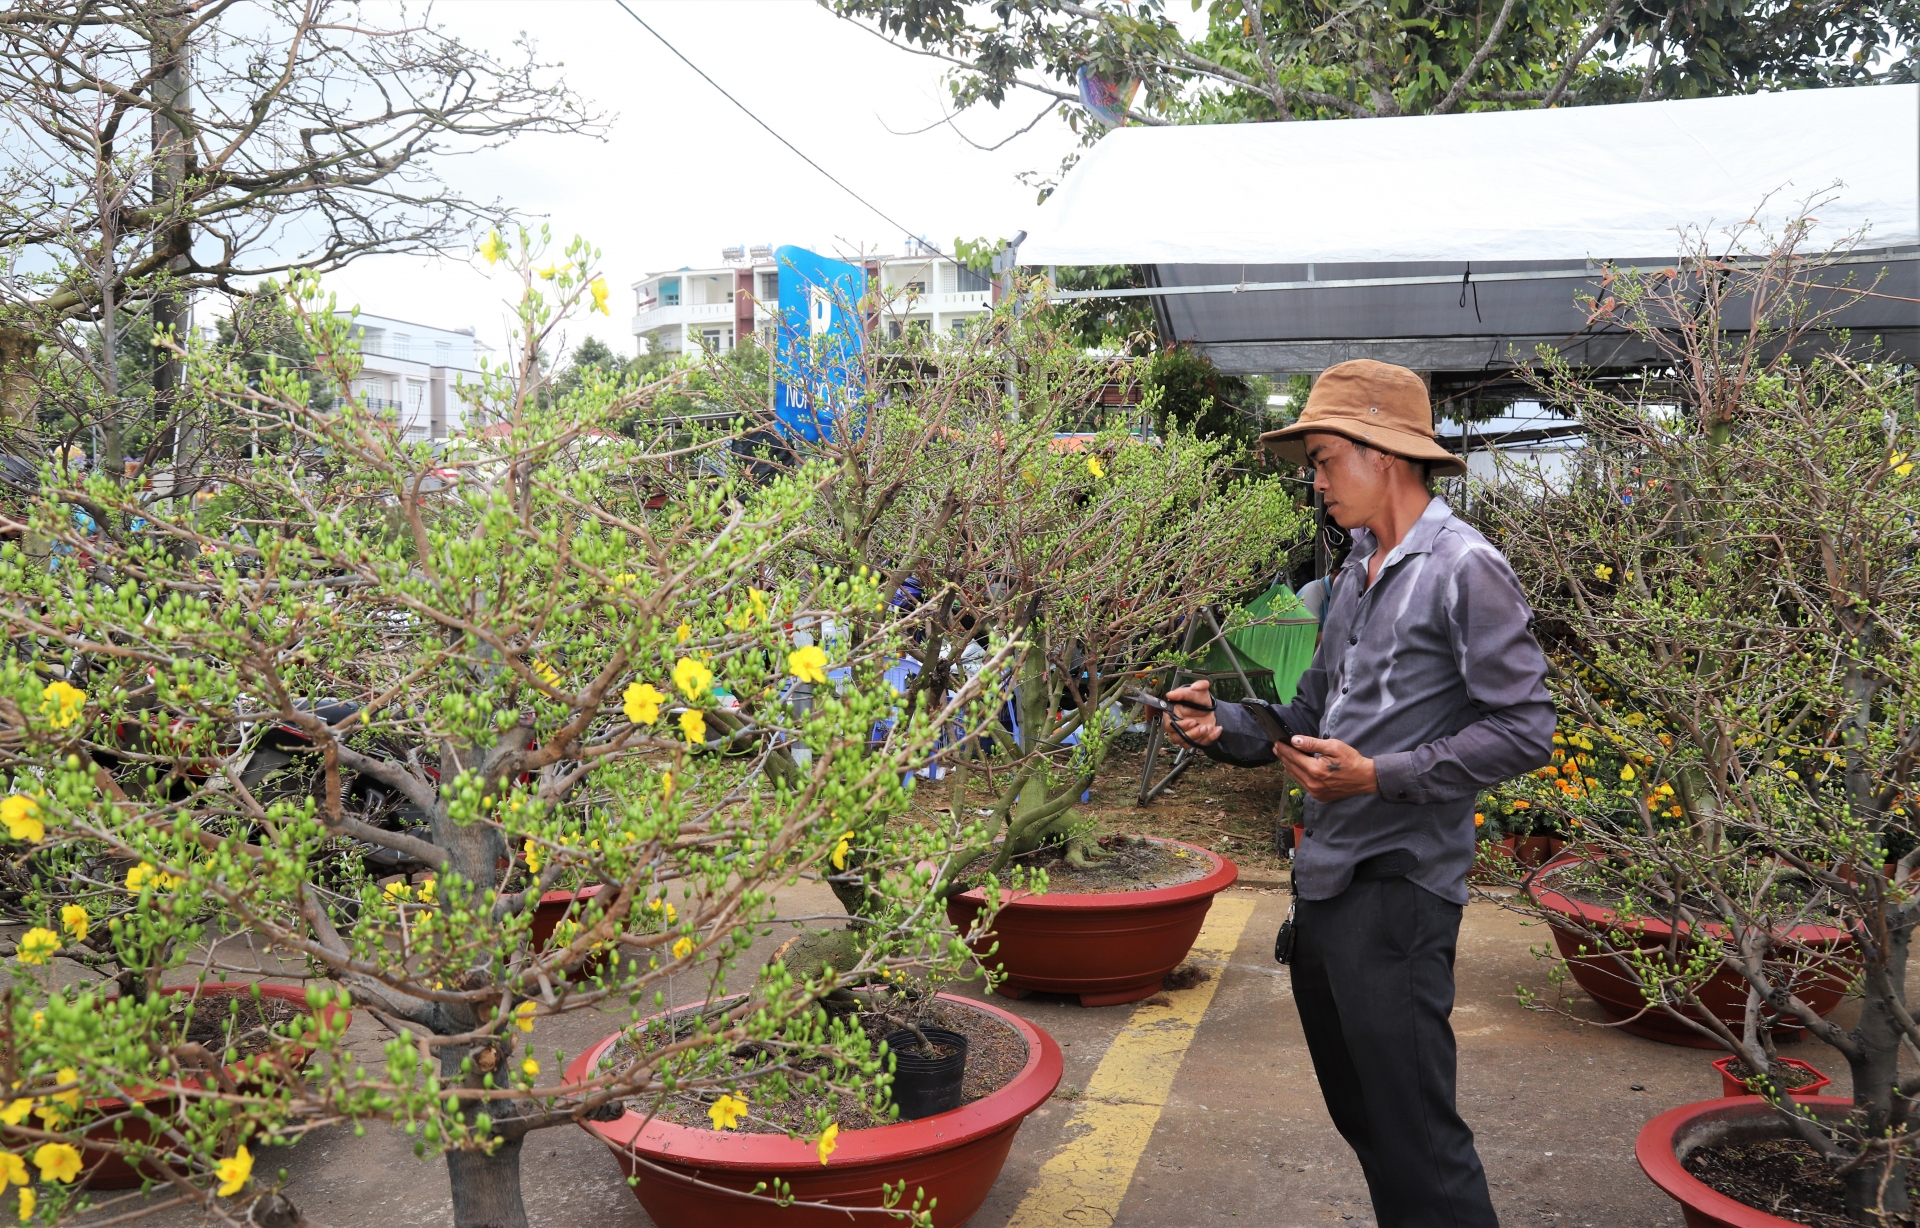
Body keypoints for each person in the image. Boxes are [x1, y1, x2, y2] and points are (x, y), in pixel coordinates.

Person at [1165, 359, 1553, 1228]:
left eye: (1326, 457)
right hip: (1328, 891)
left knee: (1419, 1138)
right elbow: (1309, 715)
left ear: (1388, 454)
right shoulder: (1353, 569)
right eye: (1312, 461)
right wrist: (1220, 721)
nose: (1315, 478)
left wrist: (1382, 776)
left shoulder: (1464, 569)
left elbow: (1527, 727)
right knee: (1369, 1125)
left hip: (1401, 895)